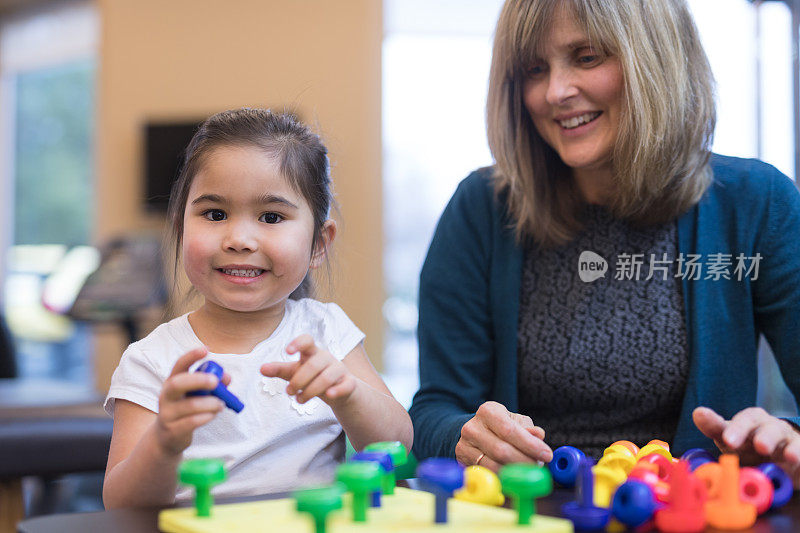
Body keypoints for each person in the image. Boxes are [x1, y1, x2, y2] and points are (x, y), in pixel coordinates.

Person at [409, 0, 800, 484]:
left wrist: (784, 436)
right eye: (534, 68)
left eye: (588, 56)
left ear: (656, 57)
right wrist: (462, 436)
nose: (555, 92)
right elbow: (433, 410)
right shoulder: (480, 209)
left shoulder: (757, 202)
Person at [103, 108, 412, 507]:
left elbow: (398, 443)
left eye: (271, 216)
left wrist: (347, 393)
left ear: (318, 243)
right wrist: (163, 442)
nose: (239, 239)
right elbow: (120, 505)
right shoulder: (152, 360)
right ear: (181, 227)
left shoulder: (327, 331)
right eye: (215, 214)